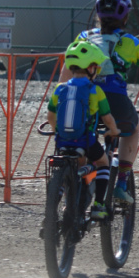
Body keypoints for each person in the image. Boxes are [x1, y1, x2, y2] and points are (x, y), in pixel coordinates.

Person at [59, 0, 139, 204]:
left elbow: (63, 80)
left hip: (82, 100)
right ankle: (122, 181)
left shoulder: (83, 38)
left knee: (81, 136)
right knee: (133, 125)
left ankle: (76, 186)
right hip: (116, 102)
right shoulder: (132, 43)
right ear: (126, 17)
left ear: (98, 15)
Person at [47, 40, 120, 220]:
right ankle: (99, 205)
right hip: (86, 141)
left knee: (67, 173)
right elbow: (107, 117)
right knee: (103, 162)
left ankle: (51, 209)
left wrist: (59, 132)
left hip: (63, 142)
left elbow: (50, 116)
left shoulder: (59, 88)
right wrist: (114, 130)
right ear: (91, 68)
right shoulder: (95, 90)